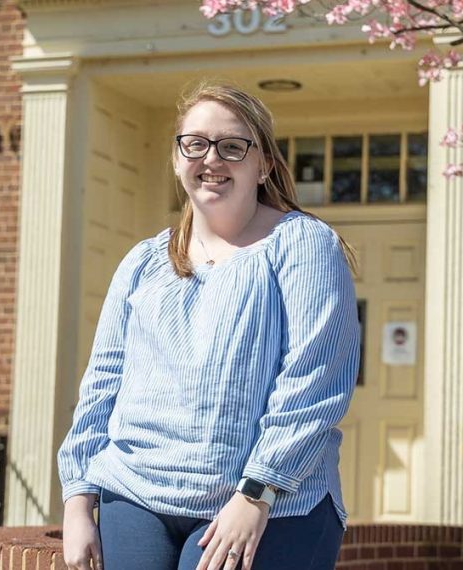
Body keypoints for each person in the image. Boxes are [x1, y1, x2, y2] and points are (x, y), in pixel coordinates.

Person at [57, 82, 361, 570]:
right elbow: (102, 384)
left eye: (233, 146)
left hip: (268, 502)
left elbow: (315, 382)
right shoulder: (143, 262)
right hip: (135, 493)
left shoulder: (303, 245)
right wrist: (77, 499)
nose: (211, 159)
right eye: (195, 144)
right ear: (178, 159)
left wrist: (258, 492)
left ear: (262, 164)